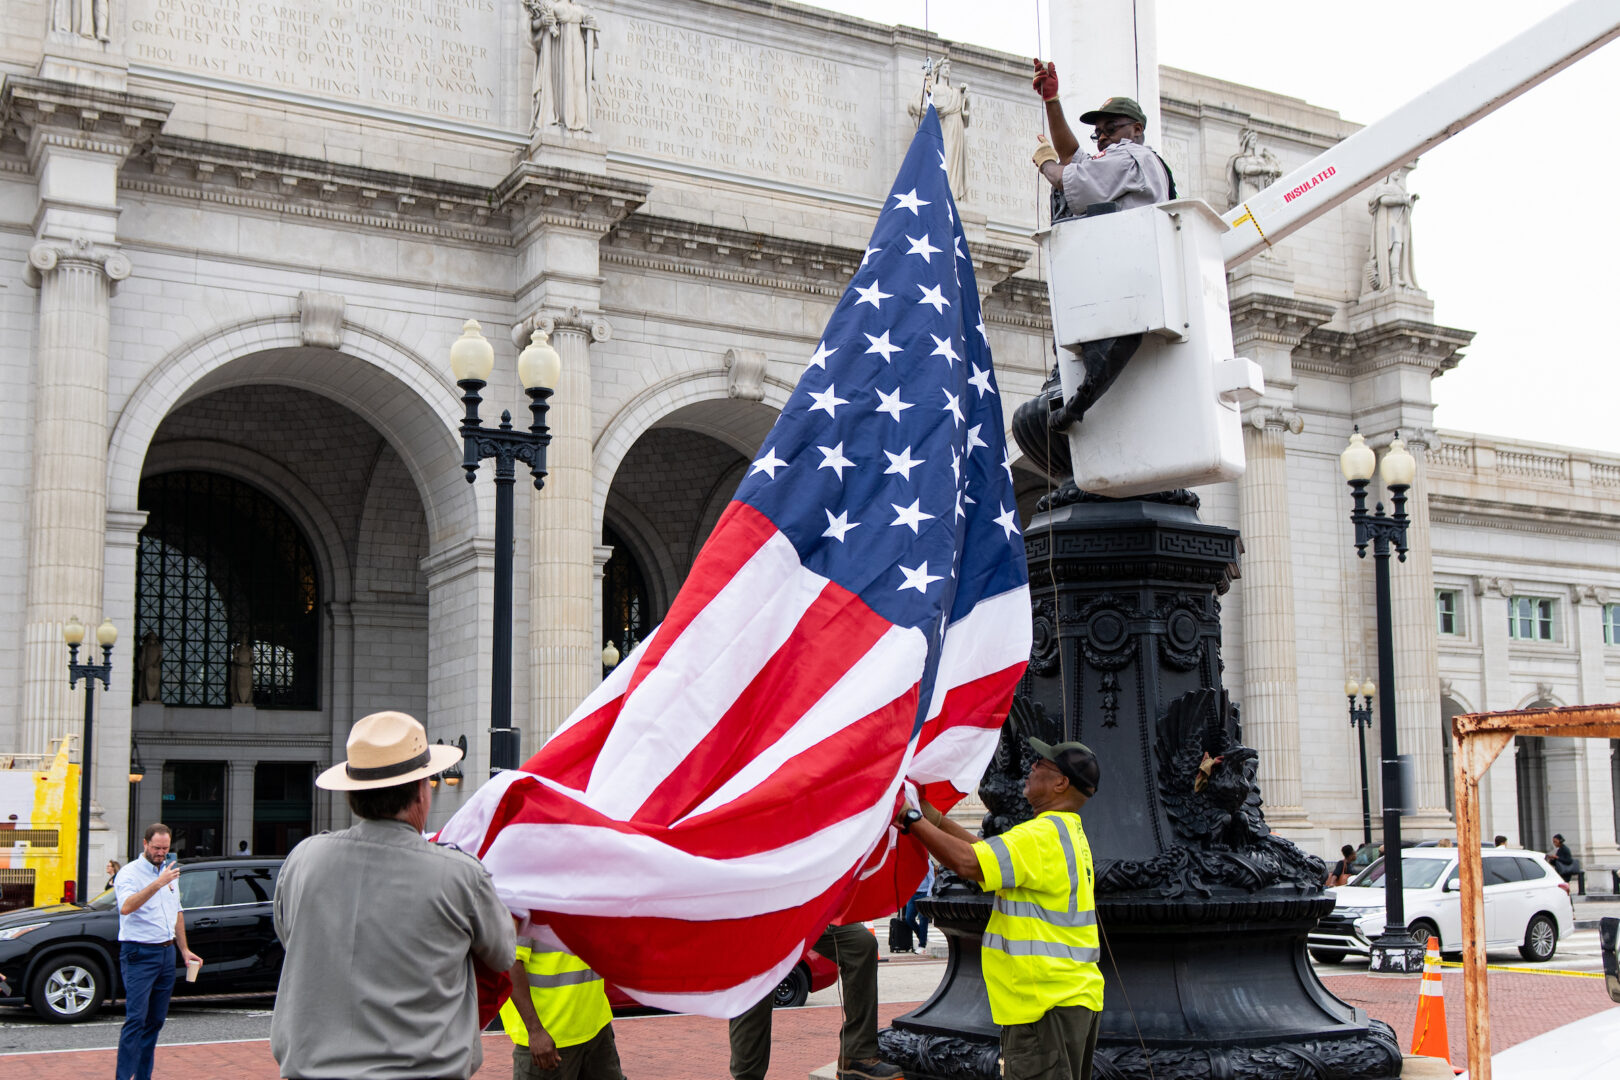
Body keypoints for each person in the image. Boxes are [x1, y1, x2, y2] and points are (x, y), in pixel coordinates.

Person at [270, 711, 516, 1080]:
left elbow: (291, 936)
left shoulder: (303, 859)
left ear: (352, 795)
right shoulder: (460, 874)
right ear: (421, 792)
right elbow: (502, 954)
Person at [901, 739, 1103, 1080]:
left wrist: (909, 818)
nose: (1031, 767)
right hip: (1070, 1000)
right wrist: (934, 819)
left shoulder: (1039, 835)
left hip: (1043, 1005)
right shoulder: (1065, 833)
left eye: (1041, 764)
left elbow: (969, 864)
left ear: (1060, 783)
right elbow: (984, 854)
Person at [1027, 60, 1176, 434]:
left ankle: (1075, 406)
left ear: (1136, 129)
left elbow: (1066, 176)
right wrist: (1052, 101)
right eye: (1099, 133)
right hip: (1123, 274)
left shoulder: (1131, 156)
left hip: (1118, 278)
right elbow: (1074, 157)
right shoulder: (1122, 161)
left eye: (1112, 128)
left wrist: (1045, 165)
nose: (1104, 137)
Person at [729, 923, 900, 1080]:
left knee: (860, 943)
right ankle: (747, 1076)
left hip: (799, 907)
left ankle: (856, 1055)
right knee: (755, 984)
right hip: (758, 917)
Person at [114, 823, 204, 1080]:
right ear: (145, 844)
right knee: (136, 1020)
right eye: (156, 848)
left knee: (155, 1021)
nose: (161, 853)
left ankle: (143, 1076)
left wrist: (184, 950)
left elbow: (176, 912)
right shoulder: (129, 873)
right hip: (139, 952)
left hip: (166, 953)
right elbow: (126, 907)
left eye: (165, 848)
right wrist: (157, 883)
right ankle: (123, 1077)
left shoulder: (169, 871)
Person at [501, 936, 623, 1080]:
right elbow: (509, 964)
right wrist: (535, 1031)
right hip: (549, 1036)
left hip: (597, 1029)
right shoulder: (524, 913)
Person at [901, 860, 936, 952]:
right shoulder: (912, 861)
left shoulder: (926, 862)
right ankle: (921, 936)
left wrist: (928, 894)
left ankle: (922, 944)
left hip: (924, 893)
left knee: (923, 918)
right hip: (913, 893)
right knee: (909, 918)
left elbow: (931, 879)